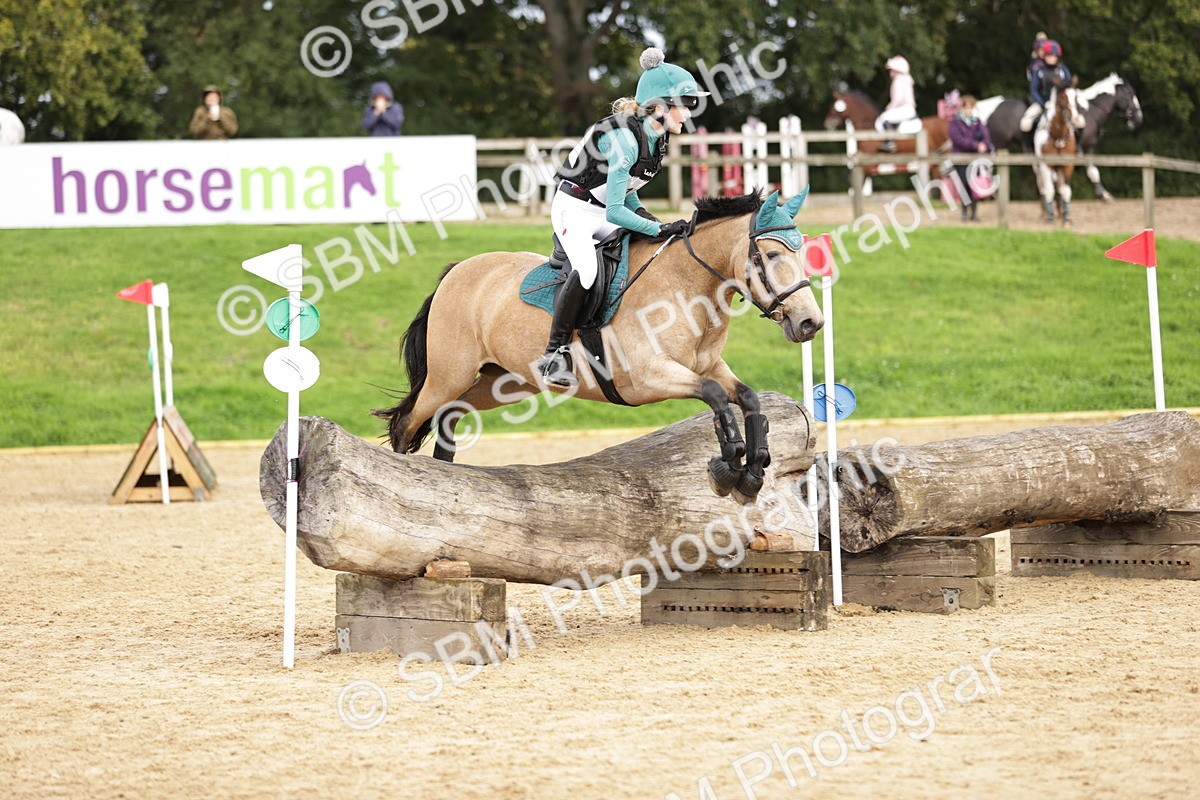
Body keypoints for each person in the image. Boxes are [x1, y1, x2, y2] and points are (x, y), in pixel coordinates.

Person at [537, 46, 706, 388]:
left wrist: (655, 223)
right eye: (684, 105)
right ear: (659, 106)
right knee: (587, 270)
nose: (688, 114)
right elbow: (616, 210)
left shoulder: (655, 138)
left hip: (604, 210)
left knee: (653, 249)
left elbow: (628, 194)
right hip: (575, 209)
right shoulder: (625, 139)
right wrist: (659, 226)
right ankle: (553, 354)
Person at [947, 95, 994, 221]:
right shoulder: (955, 122)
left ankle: (974, 213)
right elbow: (958, 139)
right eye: (965, 107)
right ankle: (964, 212)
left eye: (970, 107)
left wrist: (984, 145)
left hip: (975, 160)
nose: (968, 110)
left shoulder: (977, 122)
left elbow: (986, 137)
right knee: (964, 185)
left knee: (975, 185)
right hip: (961, 159)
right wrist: (976, 145)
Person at [1019, 40, 1071, 133]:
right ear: (1045, 56)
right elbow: (1033, 90)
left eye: (1054, 56)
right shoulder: (1039, 71)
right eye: (1049, 56)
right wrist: (1042, 103)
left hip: (1061, 103)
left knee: (1080, 122)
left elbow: (1070, 86)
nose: (1052, 58)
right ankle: (1030, 145)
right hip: (1043, 102)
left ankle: (1078, 144)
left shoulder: (1063, 70)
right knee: (1025, 124)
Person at [875, 55, 917, 152]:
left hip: (904, 109)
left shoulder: (898, 81)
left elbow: (897, 100)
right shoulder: (906, 79)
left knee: (883, 118)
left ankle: (889, 143)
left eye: (891, 70)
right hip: (908, 109)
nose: (890, 72)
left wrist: (889, 108)